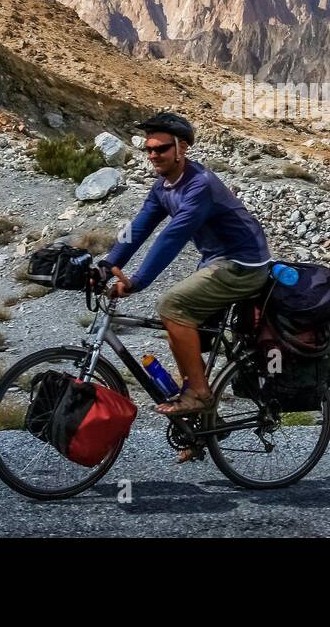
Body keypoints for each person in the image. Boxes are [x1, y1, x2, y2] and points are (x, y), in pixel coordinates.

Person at [102, 112, 271, 427]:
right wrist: (106, 264)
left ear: (182, 149)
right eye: (149, 150)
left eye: (161, 149)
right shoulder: (162, 188)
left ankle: (199, 394)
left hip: (244, 262)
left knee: (172, 305)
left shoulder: (199, 186)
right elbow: (136, 230)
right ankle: (204, 423)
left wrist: (138, 281)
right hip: (215, 259)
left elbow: (172, 237)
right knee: (178, 327)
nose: (153, 155)